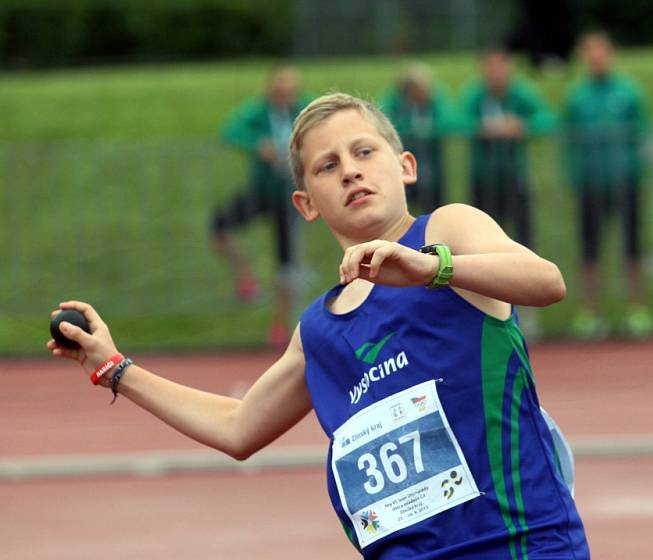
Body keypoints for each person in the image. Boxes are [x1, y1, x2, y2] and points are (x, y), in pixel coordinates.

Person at [48, 93, 590, 559]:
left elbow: (545, 280)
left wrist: (432, 266)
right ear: (306, 204)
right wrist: (114, 369)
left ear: (405, 166)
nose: (350, 170)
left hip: (521, 546)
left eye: (363, 152)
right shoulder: (318, 331)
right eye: (327, 166)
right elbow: (238, 428)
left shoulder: (446, 229)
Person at [562, 32, 653, 339]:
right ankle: (590, 312)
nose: (596, 59)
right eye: (590, 53)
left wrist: (637, 170)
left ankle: (637, 310)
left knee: (632, 247)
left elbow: (642, 133)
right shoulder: (578, 96)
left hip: (624, 181)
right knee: (590, 250)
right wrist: (575, 176)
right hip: (591, 183)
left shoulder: (628, 92)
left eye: (601, 52)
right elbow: (568, 138)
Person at [211, 66, 307, 347]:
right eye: (280, 91)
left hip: (289, 196)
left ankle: (280, 323)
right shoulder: (259, 111)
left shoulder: (302, 109)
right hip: (262, 189)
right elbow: (230, 130)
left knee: (287, 263)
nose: (285, 97)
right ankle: (246, 276)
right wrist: (258, 145)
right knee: (220, 226)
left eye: (290, 91)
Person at [460, 48, 556, 250]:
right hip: (483, 177)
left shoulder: (521, 93)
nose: (496, 73)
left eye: (500, 67)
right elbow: (454, 119)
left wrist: (523, 126)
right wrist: (481, 128)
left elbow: (547, 117)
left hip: (515, 175)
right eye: (491, 67)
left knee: (523, 231)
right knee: (481, 234)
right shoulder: (475, 94)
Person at [380, 63, 455, 213]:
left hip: (431, 164)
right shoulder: (396, 102)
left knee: (433, 204)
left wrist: (427, 130)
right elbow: (383, 121)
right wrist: (411, 129)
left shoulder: (435, 100)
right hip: (403, 164)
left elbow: (448, 120)